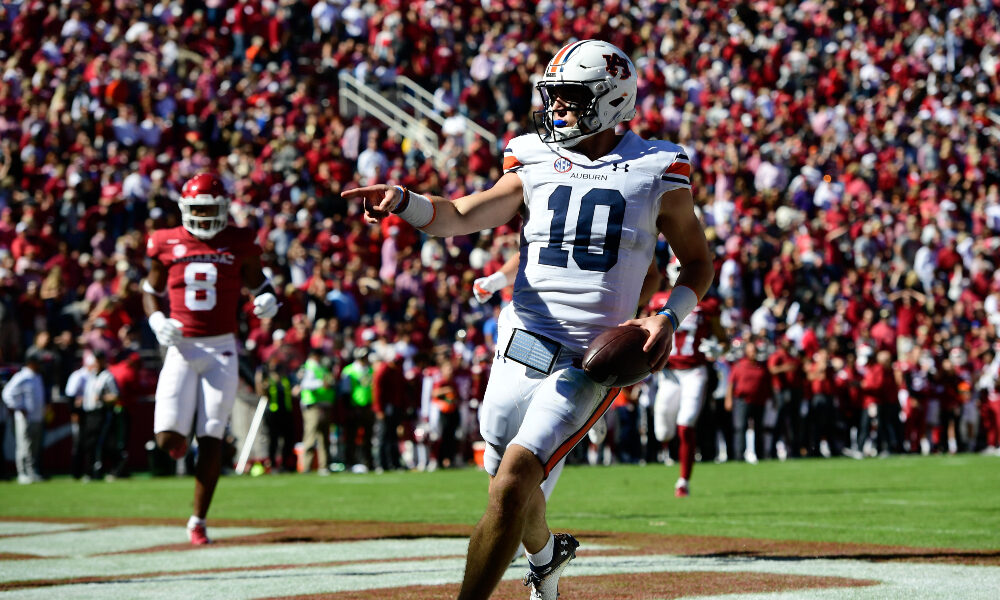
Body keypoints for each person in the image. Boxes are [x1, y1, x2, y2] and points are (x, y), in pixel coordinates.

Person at [343, 39, 714, 600]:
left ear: (613, 100)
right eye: (554, 96)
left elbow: (698, 264)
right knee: (508, 489)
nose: (557, 108)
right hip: (519, 341)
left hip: (589, 362)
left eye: (571, 97)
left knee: (515, 479)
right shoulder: (534, 156)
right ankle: (546, 558)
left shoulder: (658, 168)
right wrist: (404, 200)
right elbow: (463, 214)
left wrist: (667, 317)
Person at [142, 173, 278, 545]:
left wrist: (268, 300)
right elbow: (150, 289)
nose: (202, 216)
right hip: (182, 347)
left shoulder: (239, 241)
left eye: (209, 209)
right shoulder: (166, 241)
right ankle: (179, 441)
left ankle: (198, 520)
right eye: (197, 209)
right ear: (185, 209)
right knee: (167, 436)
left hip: (221, 348)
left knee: (213, 436)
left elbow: (260, 283)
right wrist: (156, 319)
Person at [649, 293, 724, 497]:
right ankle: (669, 452)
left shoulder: (708, 305)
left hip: (695, 371)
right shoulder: (658, 301)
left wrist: (717, 349)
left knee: (686, 423)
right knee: (662, 433)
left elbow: (723, 339)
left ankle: (683, 481)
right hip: (669, 373)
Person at [1, 355, 46, 484]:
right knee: (24, 446)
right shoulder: (21, 377)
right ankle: (22, 473)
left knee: (34, 447)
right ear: (31, 363)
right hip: (24, 418)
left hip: (37, 417)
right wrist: (18, 407)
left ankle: (32, 472)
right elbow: (7, 393)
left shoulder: (37, 376)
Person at [297, 348, 336, 474]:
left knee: (324, 437)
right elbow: (305, 384)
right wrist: (321, 383)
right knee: (311, 434)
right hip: (313, 406)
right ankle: (307, 466)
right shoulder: (308, 367)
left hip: (324, 405)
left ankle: (324, 465)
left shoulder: (322, 368)